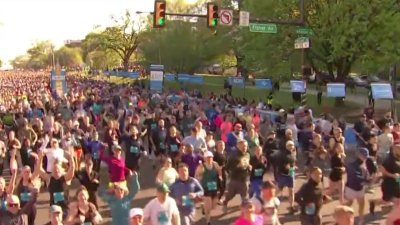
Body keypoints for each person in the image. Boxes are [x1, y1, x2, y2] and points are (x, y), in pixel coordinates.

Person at [223, 139, 252, 213]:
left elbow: (248, 164)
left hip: (244, 179)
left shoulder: (247, 155)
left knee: (244, 197)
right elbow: (226, 168)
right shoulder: (233, 156)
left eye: (245, 146)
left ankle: (244, 213)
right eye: (242, 146)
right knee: (230, 195)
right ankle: (225, 202)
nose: (244, 148)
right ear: (238, 146)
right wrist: (237, 167)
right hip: (234, 179)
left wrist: (249, 167)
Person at [195, 151, 222, 225]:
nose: (209, 159)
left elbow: (219, 171)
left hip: (214, 188)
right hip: (206, 188)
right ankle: (208, 222)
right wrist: (199, 177)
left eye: (211, 157)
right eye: (208, 158)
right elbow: (196, 176)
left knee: (213, 207)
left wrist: (220, 177)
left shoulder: (215, 164)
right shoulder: (201, 166)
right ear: (204, 158)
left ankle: (204, 207)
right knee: (208, 209)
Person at [344, 147, 370, 225]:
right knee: (349, 204)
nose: (365, 157)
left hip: (360, 188)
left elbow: (366, 174)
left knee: (362, 204)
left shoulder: (364, 163)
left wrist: (368, 178)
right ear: (359, 155)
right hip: (351, 188)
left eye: (366, 156)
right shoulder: (352, 164)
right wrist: (366, 181)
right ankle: (341, 218)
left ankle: (361, 221)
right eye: (363, 156)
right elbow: (355, 177)